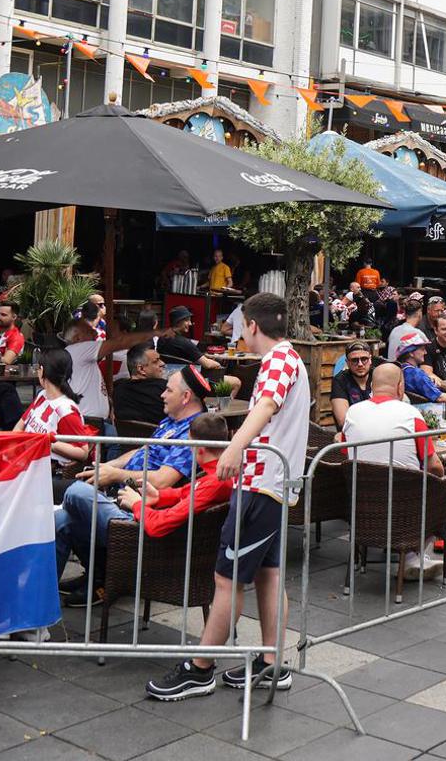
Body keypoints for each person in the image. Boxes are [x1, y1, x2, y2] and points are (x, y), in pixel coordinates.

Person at [145, 293, 309, 698]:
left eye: (241, 327)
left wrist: (235, 448)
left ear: (252, 325)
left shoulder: (278, 359)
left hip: (261, 484)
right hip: (272, 484)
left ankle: (200, 669)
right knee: (269, 575)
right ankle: (272, 662)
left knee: (226, 578)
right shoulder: (289, 359)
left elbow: (266, 406)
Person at [55, 365, 212, 604]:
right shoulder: (172, 422)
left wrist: (115, 475)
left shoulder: (192, 434)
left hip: (139, 516)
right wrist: (106, 467)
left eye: (168, 390)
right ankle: (70, 588)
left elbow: (163, 480)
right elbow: (142, 450)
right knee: (62, 518)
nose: (162, 394)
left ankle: (104, 578)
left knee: (75, 493)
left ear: (186, 397)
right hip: (121, 501)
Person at [116, 412, 235, 537]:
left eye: (190, 444)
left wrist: (136, 504)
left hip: (144, 534)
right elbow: (186, 491)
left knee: (100, 503)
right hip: (153, 526)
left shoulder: (216, 481)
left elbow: (158, 525)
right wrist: (158, 496)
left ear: (199, 449)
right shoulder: (221, 472)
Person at [17, 348, 98, 496]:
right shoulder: (42, 395)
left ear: (42, 371)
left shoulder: (66, 410)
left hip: (48, 476)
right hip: (26, 465)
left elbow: (83, 452)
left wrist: (46, 442)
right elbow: (21, 424)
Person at [341, 361, 441, 474]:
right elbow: (434, 466)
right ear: (400, 386)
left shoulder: (352, 412)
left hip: (360, 483)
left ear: (371, 386)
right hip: (405, 484)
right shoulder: (411, 414)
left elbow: (346, 455)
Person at [395, 333, 446, 409]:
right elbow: (440, 397)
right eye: (422, 349)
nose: (425, 352)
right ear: (411, 353)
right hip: (429, 411)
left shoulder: (400, 368)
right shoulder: (416, 373)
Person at [113, 344, 169, 425]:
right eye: (156, 361)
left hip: (126, 432)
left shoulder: (117, 389)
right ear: (141, 369)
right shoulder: (166, 388)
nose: (162, 363)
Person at [330, 340, 381, 427]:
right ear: (347, 363)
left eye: (364, 359)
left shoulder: (379, 376)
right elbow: (343, 421)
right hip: (353, 432)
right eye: (354, 360)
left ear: (370, 360)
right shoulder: (340, 380)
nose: (360, 364)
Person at [385, 294, 427, 360]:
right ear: (419, 313)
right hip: (404, 366)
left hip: (391, 365)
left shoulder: (394, 330)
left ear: (405, 313)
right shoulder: (418, 334)